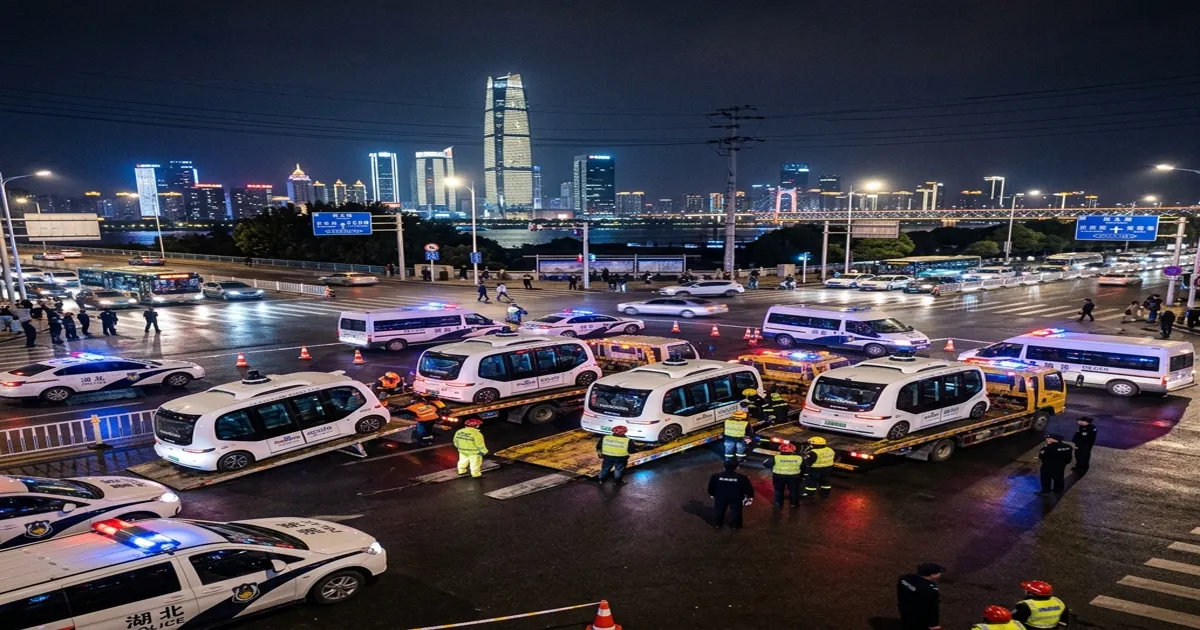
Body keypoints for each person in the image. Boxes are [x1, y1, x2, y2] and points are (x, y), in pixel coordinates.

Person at [707, 462, 754, 529]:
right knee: (736, 511)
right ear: (737, 468)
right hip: (736, 497)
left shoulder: (715, 476)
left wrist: (712, 494)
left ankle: (718, 524)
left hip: (720, 497)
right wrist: (750, 496)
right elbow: (748, 488)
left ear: (724, 467)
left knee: (719, 510)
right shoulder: (742, 478)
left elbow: (711, 487)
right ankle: (735, 525)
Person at [897, 563, 944, 630]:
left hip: (905, 610)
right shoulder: (929, 589)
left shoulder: (904, 578)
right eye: (939, 572)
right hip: (920, 617)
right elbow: (933, 607)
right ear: (933, 575)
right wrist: (934, 624)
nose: (940, 574)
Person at [764, 442, 805, 507]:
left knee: (778, 490)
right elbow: (803, 467)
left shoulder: (776, 457)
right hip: (794, 476)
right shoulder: (799, 458)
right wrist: (803, 475)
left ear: (780, 450)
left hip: (779, 476)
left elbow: (766, 464)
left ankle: (778, 503)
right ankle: (794, 504)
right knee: (794, 490)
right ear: (793, 450)